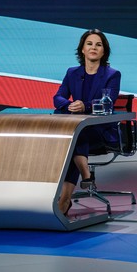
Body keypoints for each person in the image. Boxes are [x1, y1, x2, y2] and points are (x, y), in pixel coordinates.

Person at [53, 29, 121, 215]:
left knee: (76, 137)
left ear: (103, 51)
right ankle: (84, 179)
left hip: (101, 132)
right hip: (79, 131)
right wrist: (69, 105)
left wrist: (85, 106)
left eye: (98, 45)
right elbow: (58, 98)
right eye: (89, 44)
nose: (93, 48)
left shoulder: (112, 75)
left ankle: (65, 199)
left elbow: (109, 101)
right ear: (82, 49)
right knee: (76, 136)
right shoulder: (72, 72)